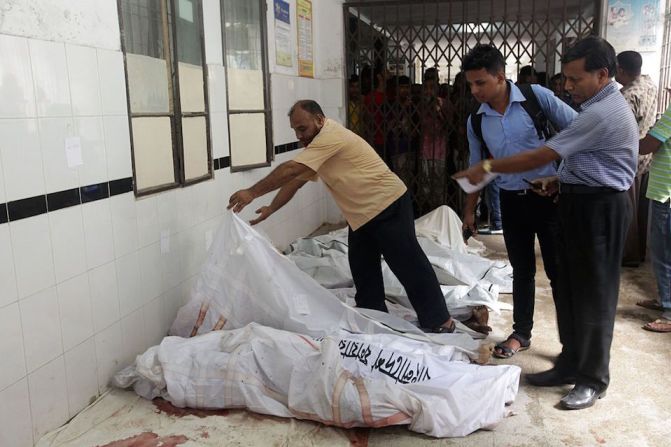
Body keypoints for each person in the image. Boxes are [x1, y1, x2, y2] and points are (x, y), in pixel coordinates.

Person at [454, 36, 638, 410]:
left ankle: (593, 378)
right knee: (572, 288)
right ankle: (570, 364)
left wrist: (490, 166)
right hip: (571, 199)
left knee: (595, 296)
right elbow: (582, 156)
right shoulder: (593, 106)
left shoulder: (599, 111)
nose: (567, 86)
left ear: (602, 75)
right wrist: (557, 179)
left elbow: (549, 151)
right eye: (565, 79)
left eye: (574, 79)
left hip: (599, 208)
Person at [228, 100, 456, 334]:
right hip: (361, 214)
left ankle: (440, 320)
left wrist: (252, 192)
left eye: (302, 128)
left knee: (408, 263)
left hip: (387, 203)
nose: (299, 136)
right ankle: (373, 314)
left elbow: (291, 170)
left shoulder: (330, 136)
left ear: (319, 120)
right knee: (362, 266)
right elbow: (295, 182)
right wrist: (271, 208)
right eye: (295, 130)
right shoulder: (318, 147)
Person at [461, 44, 577, 359]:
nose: (475, 90)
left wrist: (562, 178)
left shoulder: (536, 98)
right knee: (521, 271)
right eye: (470, 84)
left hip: (550, 199)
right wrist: (469, 212)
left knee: (558, 271)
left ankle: (571, 343)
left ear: (500, 77)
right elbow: (478, 170)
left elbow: (579, 131)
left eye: (480, 83)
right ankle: (521, 333)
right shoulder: (476, 120)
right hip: (512, 201)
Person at [615, 50, 658, 266]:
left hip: (629, 156)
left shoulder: (627, 95)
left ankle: (629, 255)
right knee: (641, 209)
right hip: (647, 156)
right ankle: (640, 252)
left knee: (627, 209)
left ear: (620, 69)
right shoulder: (649, 84)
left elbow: (624, 130)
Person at [635, 106, 671, 333]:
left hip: (666, 195)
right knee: (662, 253)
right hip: (666, 192)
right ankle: (663, 298)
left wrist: (625, 137)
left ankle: (669, 311)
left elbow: (648, 145)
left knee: (664, 253)